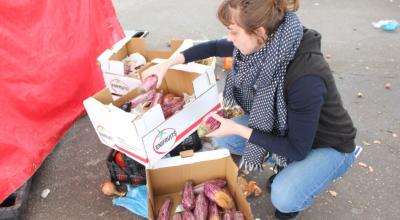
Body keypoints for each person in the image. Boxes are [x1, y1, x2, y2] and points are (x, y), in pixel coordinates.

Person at [143, 0, 357, 219]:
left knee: (285, 195)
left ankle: (293, 198)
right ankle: (287, 167)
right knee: (226, 138)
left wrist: (237, 130)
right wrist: (166, 64)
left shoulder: (305, 77)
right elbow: (213, 47)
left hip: (328, 144)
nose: (229, 39)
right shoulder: (269, 43)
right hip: (288, 128)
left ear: (259, 31)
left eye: (234, 32)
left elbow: (297, 149)